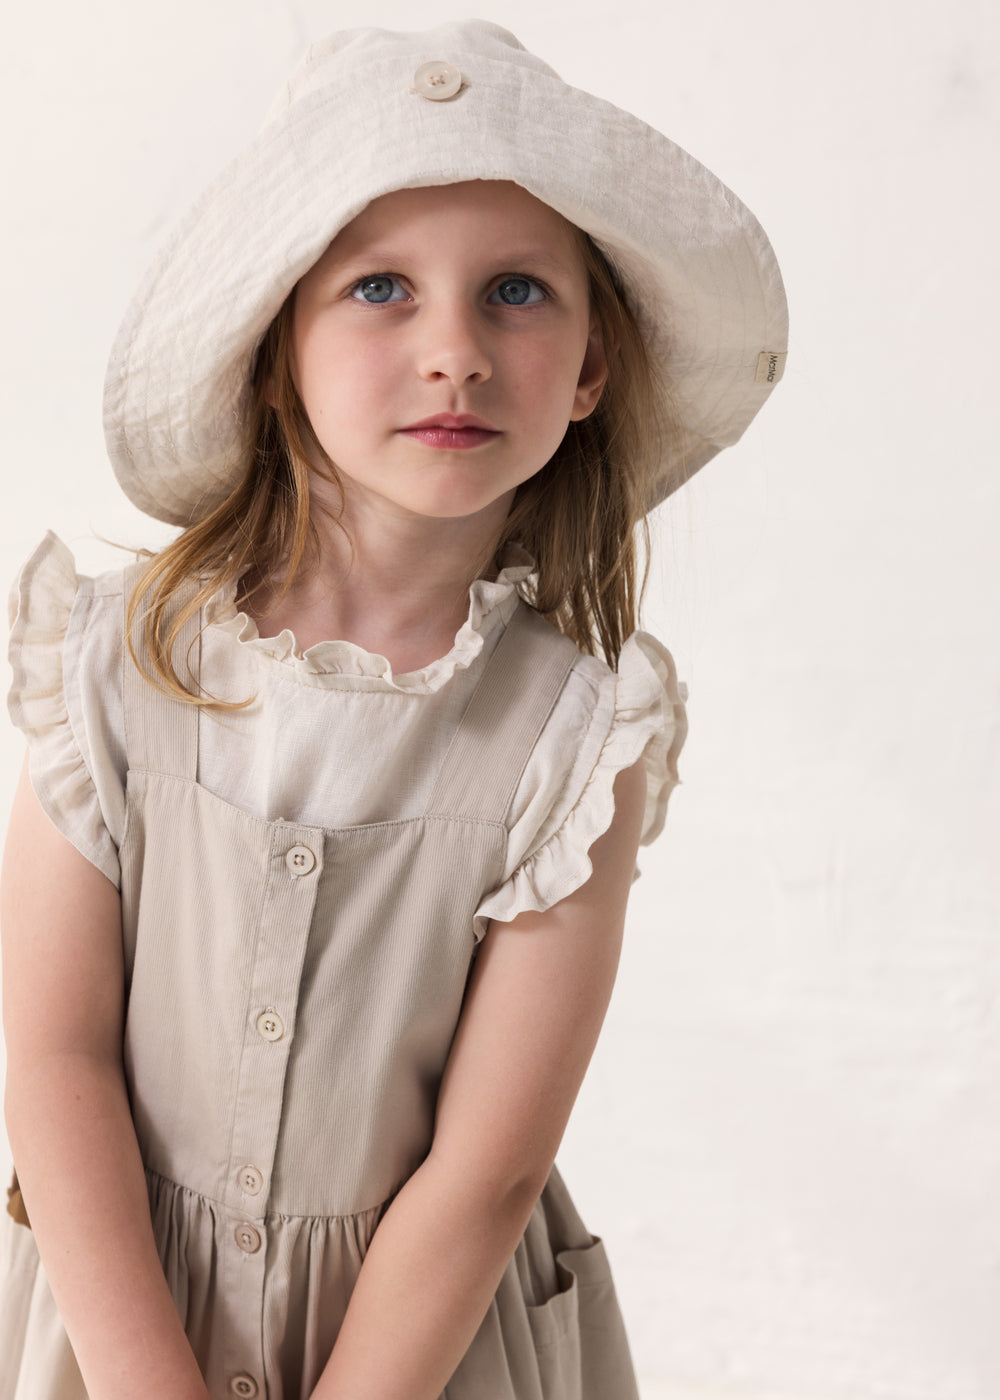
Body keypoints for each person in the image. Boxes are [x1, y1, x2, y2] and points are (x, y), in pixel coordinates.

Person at [0, 20, 787, 1400]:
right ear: (271, 349)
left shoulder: (577, 741)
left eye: (518, 294)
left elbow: (488, 1171)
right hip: (110, 1317)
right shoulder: (111, 666)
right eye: (378, 287)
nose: (454, 353)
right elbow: (53, 1052)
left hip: (422, 1350)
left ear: (595, 368)